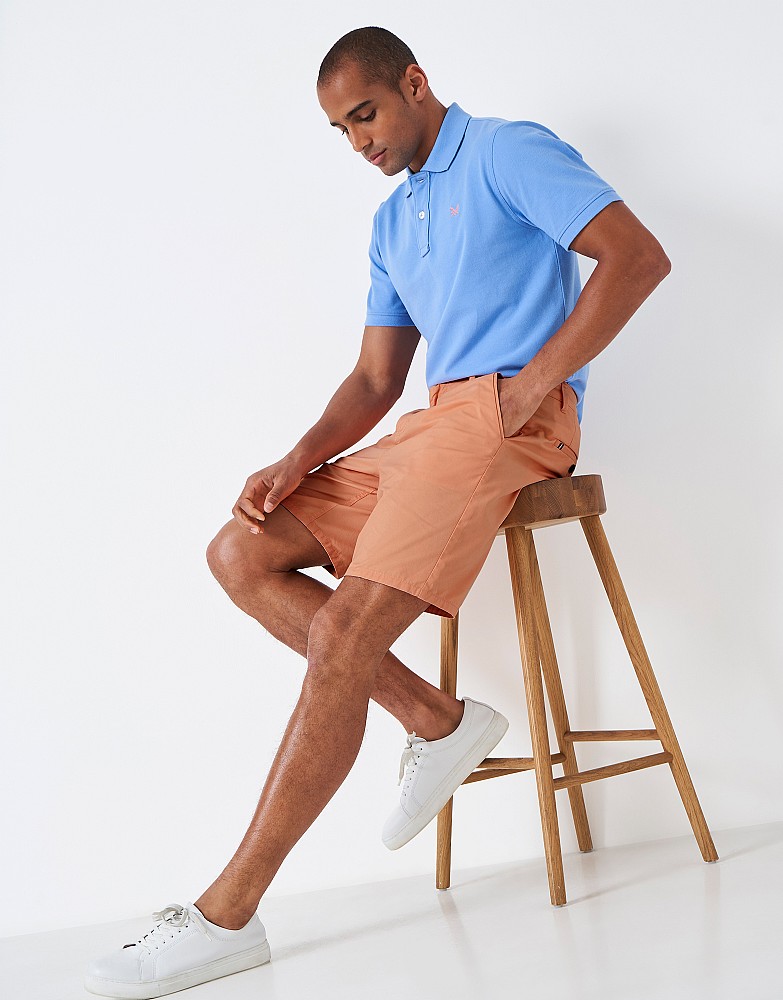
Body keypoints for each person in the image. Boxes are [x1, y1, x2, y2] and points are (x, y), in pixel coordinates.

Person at [84, 25, 671, 999]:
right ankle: (435, 721)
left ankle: (226, 915)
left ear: (414, 83)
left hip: (506, 421)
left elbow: (635, 257)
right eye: (340, 130)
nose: (359, 141)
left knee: (345, 629)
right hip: (428, 424)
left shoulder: (506, 151)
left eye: (365, 114)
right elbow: (373, 378)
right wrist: (295, 459)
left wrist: (534, 387)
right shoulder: (393, 222)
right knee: (239, 552)